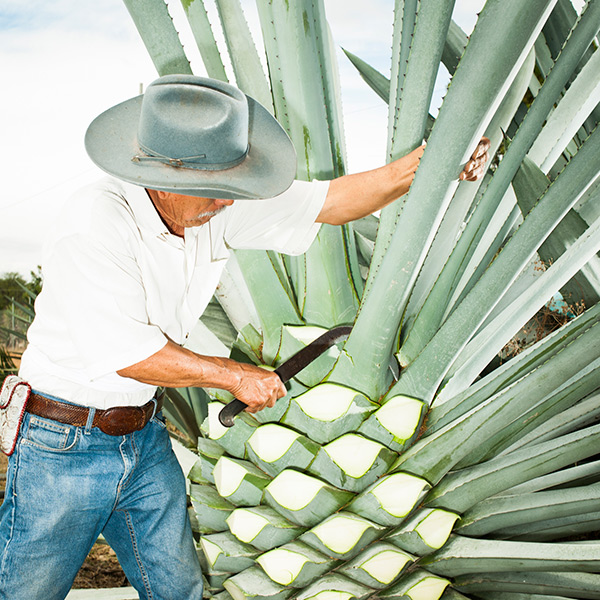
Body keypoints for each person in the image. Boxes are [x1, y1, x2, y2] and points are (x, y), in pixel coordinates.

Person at [0, 75, 489, 600]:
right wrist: (234, 375)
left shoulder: (211, 200)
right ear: (165, 179)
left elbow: (330, 202)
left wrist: (433, 165)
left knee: (179, 589)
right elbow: (130, 354)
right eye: (217, 190)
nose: (228, 203)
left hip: (142, 436)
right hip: (62, 443)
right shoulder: (94, 223)